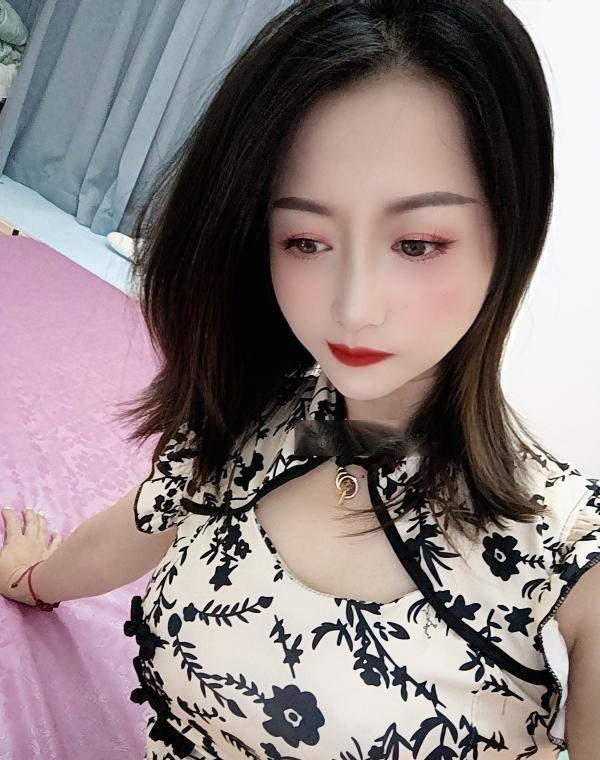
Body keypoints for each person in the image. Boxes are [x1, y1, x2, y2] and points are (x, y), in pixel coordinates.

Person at [1, 1, 599, 757]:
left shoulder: (570, 559)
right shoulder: (253, 418)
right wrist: (32, 580)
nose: (352, 307)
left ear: (510, 231)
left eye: (417, 243)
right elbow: (135, 527)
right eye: (306, 240)